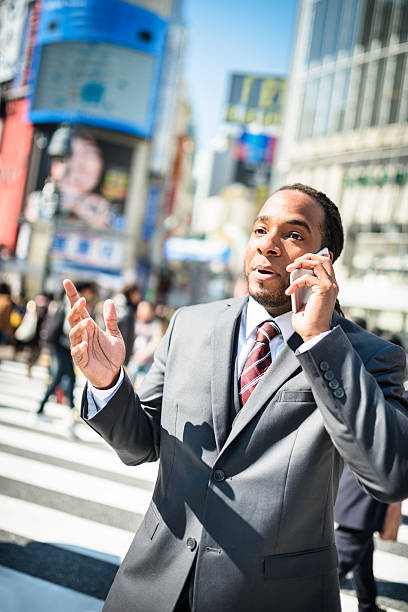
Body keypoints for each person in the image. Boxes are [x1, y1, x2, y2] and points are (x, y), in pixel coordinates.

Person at [63, 183, 408, 612]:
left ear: (325, 262)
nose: (268, 245)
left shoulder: (366, 356)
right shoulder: (190, 324)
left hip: (275, 598)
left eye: (294, 235)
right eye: (260, 229)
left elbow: (390, 475)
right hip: (153, 585)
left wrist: (320, 339)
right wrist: (108, 383)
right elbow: (140, 445)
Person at [127, 300, 163, 387]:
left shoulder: (155, 325)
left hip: (148, 360)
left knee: (146, 383)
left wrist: (145, 354)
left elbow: (156, 342)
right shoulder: (134, 322)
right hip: (134, 358)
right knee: (129, 379)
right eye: (141, 309)